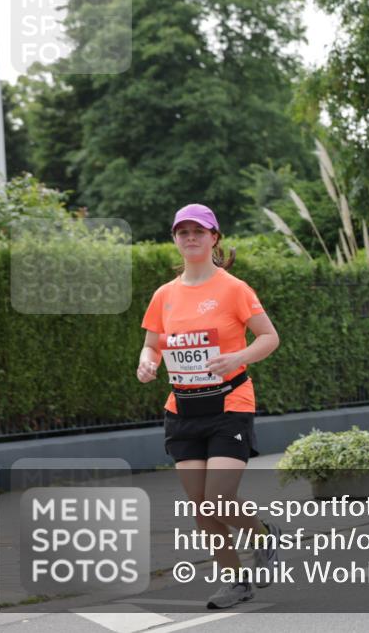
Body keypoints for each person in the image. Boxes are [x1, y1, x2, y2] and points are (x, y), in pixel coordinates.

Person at [137, 204, 283, 609]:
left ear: (214, 237)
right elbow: (152, 344)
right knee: (201, 505)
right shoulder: (164, 295)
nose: (190, 238)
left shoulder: (233, 288)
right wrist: (147, 362)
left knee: (219, 497)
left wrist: (239, 358)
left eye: (198, 231)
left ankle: (264, 537)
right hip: (182, 409)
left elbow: (269, 337)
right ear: (175, 240)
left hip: (229, 405)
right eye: (182, 232)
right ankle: (235, 581)